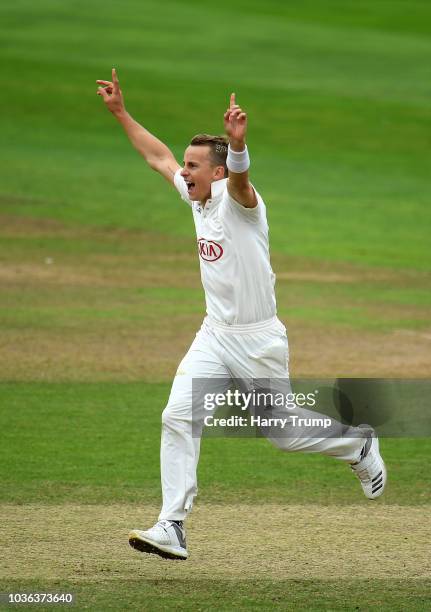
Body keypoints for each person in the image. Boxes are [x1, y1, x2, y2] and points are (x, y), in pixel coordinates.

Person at [96, 69, 387, 561]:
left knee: (284, 434)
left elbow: (244, 183)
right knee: (177, 415)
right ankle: (172, 524)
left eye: (194, 166)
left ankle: (356, 445)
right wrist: (122, 112)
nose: (183, 172)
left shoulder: (242, 205)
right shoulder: (195, 198)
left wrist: (238, 148)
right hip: (214, 334)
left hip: (259, 340)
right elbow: (157, 155)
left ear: (217, 171)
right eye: (186, 166)